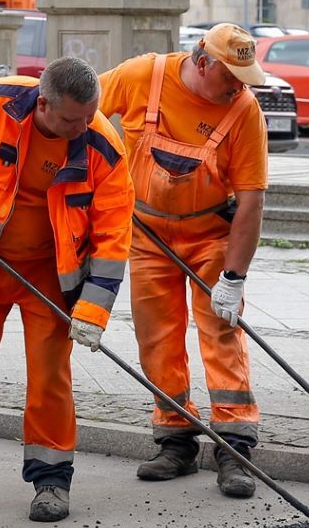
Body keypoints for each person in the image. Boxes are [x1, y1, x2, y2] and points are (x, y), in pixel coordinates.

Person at [0, 57, 134, 523]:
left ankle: (52, 480)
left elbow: (114, 237)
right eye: (73, 119)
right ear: (43, 104)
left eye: (90, 116)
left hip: (51, 276)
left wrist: (93, 312)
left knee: (50, 374)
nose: (83, 127)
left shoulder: (103, 146)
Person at [96, 25, 270, 499]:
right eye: (231, 77)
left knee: (221, 332)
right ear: (202, 62)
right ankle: (176, 440)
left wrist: (234, 277)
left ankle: (235, 446)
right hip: (146, 237)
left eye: (245, 78)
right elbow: (81, 113)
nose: (239, 87)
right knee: (157, 338)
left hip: (210, 237)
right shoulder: (143, 76)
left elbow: (251, 200)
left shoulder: (244, 110)